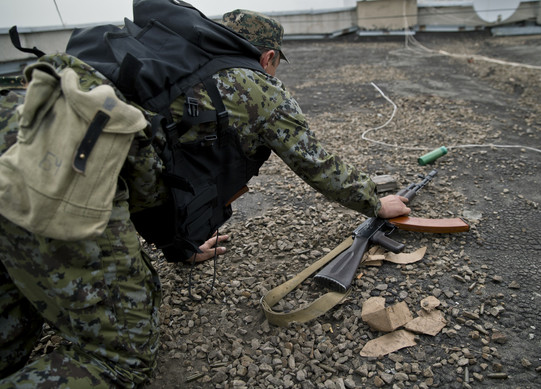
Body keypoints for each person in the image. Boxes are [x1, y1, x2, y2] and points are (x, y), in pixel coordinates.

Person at [0, 7, 410, 389]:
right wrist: (374, 201)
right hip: (61, 167)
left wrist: (181, 246)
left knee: (13, 324)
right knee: (119, 361)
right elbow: (317, 163)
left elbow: (156, 167)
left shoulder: (173, 64)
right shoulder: (258, 88)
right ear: (268, 56)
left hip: (18, 122)